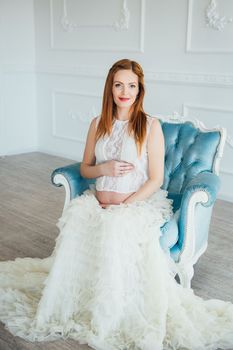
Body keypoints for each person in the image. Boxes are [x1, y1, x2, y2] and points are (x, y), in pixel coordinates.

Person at [0, 58, 233, 350]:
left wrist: (127, 204)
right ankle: (81, 299)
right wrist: (104, 169)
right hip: (96, 203)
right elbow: (86, 168)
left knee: (115, 231)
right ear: (110, 88)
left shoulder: (150, 126)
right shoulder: (98, 124)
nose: (125, 91)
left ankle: (113, 311)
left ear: (140, 90)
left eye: (132, 85)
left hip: (134, 206)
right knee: (76, 226)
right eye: (119, 84)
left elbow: (156, 179)